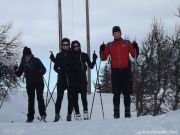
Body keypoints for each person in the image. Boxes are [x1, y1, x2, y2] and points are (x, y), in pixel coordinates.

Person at [99, 26, 139, 118]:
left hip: (126, 71)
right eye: (115, 33)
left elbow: (134, 55)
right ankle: (116, 114)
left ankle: (127, 113)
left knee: (127, 93)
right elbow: (103, 58)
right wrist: (101, 50)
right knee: (116, 93)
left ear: (121, 33)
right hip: (115, 72)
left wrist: (136, 48)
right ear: (113, 34)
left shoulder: (126, 43)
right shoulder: (110, 45)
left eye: (118, 32)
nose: (116, 34)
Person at [52, 38, 82, 122]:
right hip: (61, 79)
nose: (65, 46)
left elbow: (78, 66)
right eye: (64, 45)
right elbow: (55, 67)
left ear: (69, 46)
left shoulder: (72, 55)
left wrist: (69, 68)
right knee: (59, 98)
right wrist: (59, 70)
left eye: (67, 45)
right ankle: (57, 115)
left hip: (71, 79)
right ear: (61, 46)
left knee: (71, 98)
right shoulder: (58, 55)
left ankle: (69, 115)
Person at [15, 47, 46, 122]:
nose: (27, 57)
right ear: (24, 55)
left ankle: (43, 115)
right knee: (31, 100)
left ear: (31, 54)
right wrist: (15, 70)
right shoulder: (23, 63)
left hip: (39, 82)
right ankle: (30, 117)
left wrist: (40, 71)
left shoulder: (36, 60)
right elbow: (19, 74)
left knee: (40, 98)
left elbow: (44, 69)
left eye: (29, 55)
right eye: (26, 55)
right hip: (29, 84)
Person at [70, 40, 97, 120]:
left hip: (82, 80)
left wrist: (94, 59)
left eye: (78, 46)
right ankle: (78, 115)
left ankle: (85, 113)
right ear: (72, 47)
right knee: (74, 98)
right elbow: (67, 67)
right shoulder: (70, 55)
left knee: (83, 98)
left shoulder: (84, 55)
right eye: (74, 46)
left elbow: (91, 66)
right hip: (73, 80)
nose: (76, 47)